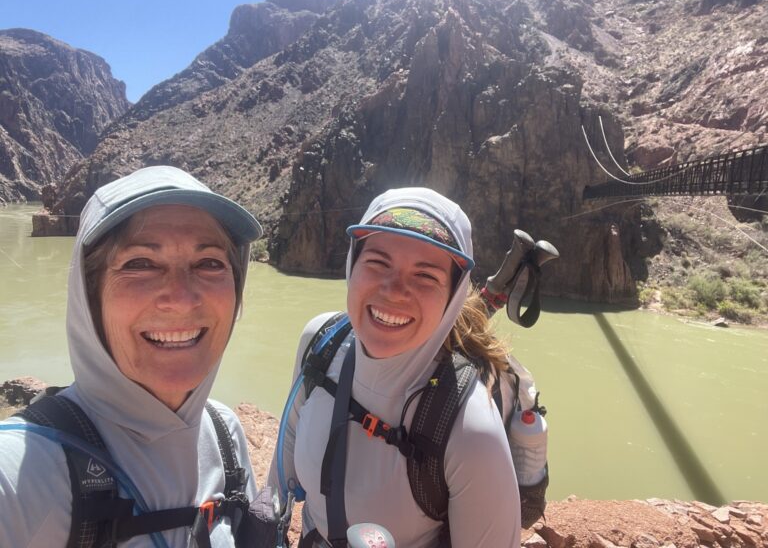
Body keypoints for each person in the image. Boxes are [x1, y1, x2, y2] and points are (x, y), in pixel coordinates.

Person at [0, 166, 265, 547]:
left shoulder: (224, 436)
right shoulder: (21, 478)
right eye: (140, 263)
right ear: (89, 296)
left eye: (209, 263)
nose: (181, 298)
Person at [269, 187, 521, 548]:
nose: (394, 291)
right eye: (377, 263)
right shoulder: (321, 342)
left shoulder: (470, 428)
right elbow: (283, 464)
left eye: (425, 276)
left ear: (452, 296)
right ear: (352, 265)